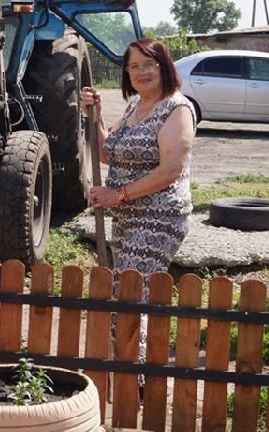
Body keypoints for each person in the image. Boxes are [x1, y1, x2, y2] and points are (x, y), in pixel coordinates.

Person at [82, 37, 196, 377]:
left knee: (128, 294)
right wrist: (97, 117)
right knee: (129, 294)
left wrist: (117, 195)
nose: (142, 71)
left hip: (160, 216)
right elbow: (107, 153)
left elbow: (170, 170)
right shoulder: (134, 108)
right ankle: (134, 370)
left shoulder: (177, 109)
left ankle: (140, 379)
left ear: (164, 66)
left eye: (149, 64)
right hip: (128, 216)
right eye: (134, 66)